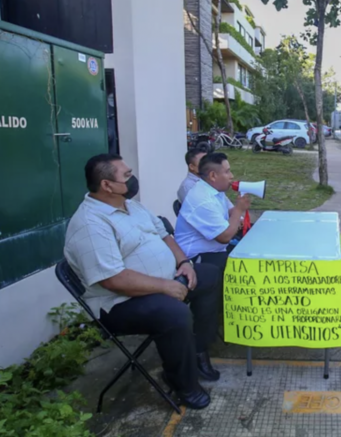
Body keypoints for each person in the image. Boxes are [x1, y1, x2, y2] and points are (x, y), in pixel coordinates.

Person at [64, 154, 221, 410]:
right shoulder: (91, 224)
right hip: (120, 302)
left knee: (210, 275)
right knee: (174, 314)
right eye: (126, 176)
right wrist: (166, 286)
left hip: (166, 280)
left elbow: (164, 235)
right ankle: (183, 383)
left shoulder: (131, 205)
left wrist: (184, 263)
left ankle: (197, 350)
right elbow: (114, 280)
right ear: (106, 185)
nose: (133, 179)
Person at [175, 153, 251, 272]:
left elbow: (229, 213)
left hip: (214, 250)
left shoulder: (214, 190)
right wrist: (239, 209)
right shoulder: (202, 200)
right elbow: (224, 236)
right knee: (246, 267)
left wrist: (237, 213)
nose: (232, 176)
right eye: (227, 172)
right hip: (197, 257)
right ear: (213, 176)